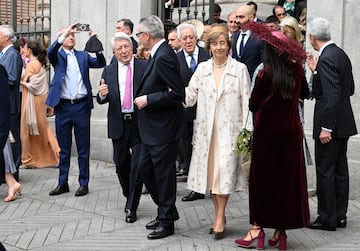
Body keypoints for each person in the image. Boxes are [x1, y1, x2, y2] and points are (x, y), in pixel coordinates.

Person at [234, 22, 310, 250]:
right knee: (286, 183)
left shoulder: (265, 73)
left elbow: (253, 103)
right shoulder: (297, 70)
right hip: (291, 135)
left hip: (267, 135)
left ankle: (258, 230)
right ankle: (281, 233)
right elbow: (305, 93)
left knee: (262, 182)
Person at [185, 25, 251, 239]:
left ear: (228, 45)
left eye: (222, 43)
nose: (219, 47)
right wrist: (170, 89)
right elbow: (189, 97)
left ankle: (220, 217)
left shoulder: (239, 69)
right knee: (212, 177)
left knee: (223, 175)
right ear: (209, 46)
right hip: (206, 132)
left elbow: (247, 102)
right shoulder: (202, 69)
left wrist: (247, 131)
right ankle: (218, 214)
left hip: (229, 131)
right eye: (215, 43)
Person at [134, 15, 184, 240]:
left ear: (146, 35)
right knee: (145, 168)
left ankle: (166, 221)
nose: (138, 39)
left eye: (138, 35)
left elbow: (177, 93)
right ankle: (167, 211)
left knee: (163, 175)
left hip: (163, 129)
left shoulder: (164, 55)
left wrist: (149, 100)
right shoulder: (157, 54)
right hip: (151, 129)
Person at [306, 17, 357, 231]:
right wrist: (315, 72)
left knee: (326, 171)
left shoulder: (326, 57)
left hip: (331, 125)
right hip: (344, 123)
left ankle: (327, 218)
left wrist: (327, 127)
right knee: (340, 170)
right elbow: (349, 89)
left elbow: (331, 95)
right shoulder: (340, 54)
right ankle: (340, 215)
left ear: (312, 37)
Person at [47, 23, 106, 197]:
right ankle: (62, 182)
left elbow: (100, 62)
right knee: (64, 149)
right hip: (63, 107)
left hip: (81, 106)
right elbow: (51, 50)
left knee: (83, 148)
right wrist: (64, 32)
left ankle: (83, 183)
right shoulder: (56, 56)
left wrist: (95, 41)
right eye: (68, 35)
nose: (71, 37)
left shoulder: (83, 56)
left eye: (73, 35)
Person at [97, 32, 146, 223]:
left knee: (138, 166)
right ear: (114, 52)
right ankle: (129, 195)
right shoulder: (108, 71)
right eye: (120, 48)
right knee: (121, 165)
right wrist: (101, 95)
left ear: (132, 47)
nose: (124, 51)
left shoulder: (144, 66)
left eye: (127, 46)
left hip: (140, 123)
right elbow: (102, 98)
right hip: (119, 124)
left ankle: (131, 206)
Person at [175, 22, 210, 202]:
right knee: (187, 147)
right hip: (185, 111)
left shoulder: (207, 55)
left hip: (206, 110)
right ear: (180, 41)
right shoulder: (175, 59)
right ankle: (194, 185)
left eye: (191, 37)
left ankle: (207, 183)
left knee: (205, 147)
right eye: (184, 38)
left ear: (197, 38)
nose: (188, 41)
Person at [20, 41, 60, 169]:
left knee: (29, 130)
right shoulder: (39, 63)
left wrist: (21, 82)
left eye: (25, 48)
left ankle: (30, 158)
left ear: (30, 51)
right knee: (43, 128)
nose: (24, 49)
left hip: (32, 99)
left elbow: (29, 83)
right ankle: (53, 155)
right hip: (40, 99)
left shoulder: (32, 65)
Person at [0, 25, 23, 181]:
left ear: (7, 37)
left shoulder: (12, 55)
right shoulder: (3, 54)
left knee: (13, 138)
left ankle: (14, 172)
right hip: (4, 104)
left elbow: (12, 79)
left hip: (10, 105)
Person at [232, 4, 264, 79]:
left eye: (241, 17)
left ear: (251, 17)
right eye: (236, 17)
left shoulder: (260, 37)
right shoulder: (235, 36)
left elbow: (264, 64)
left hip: (254, 81)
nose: (237, 21)